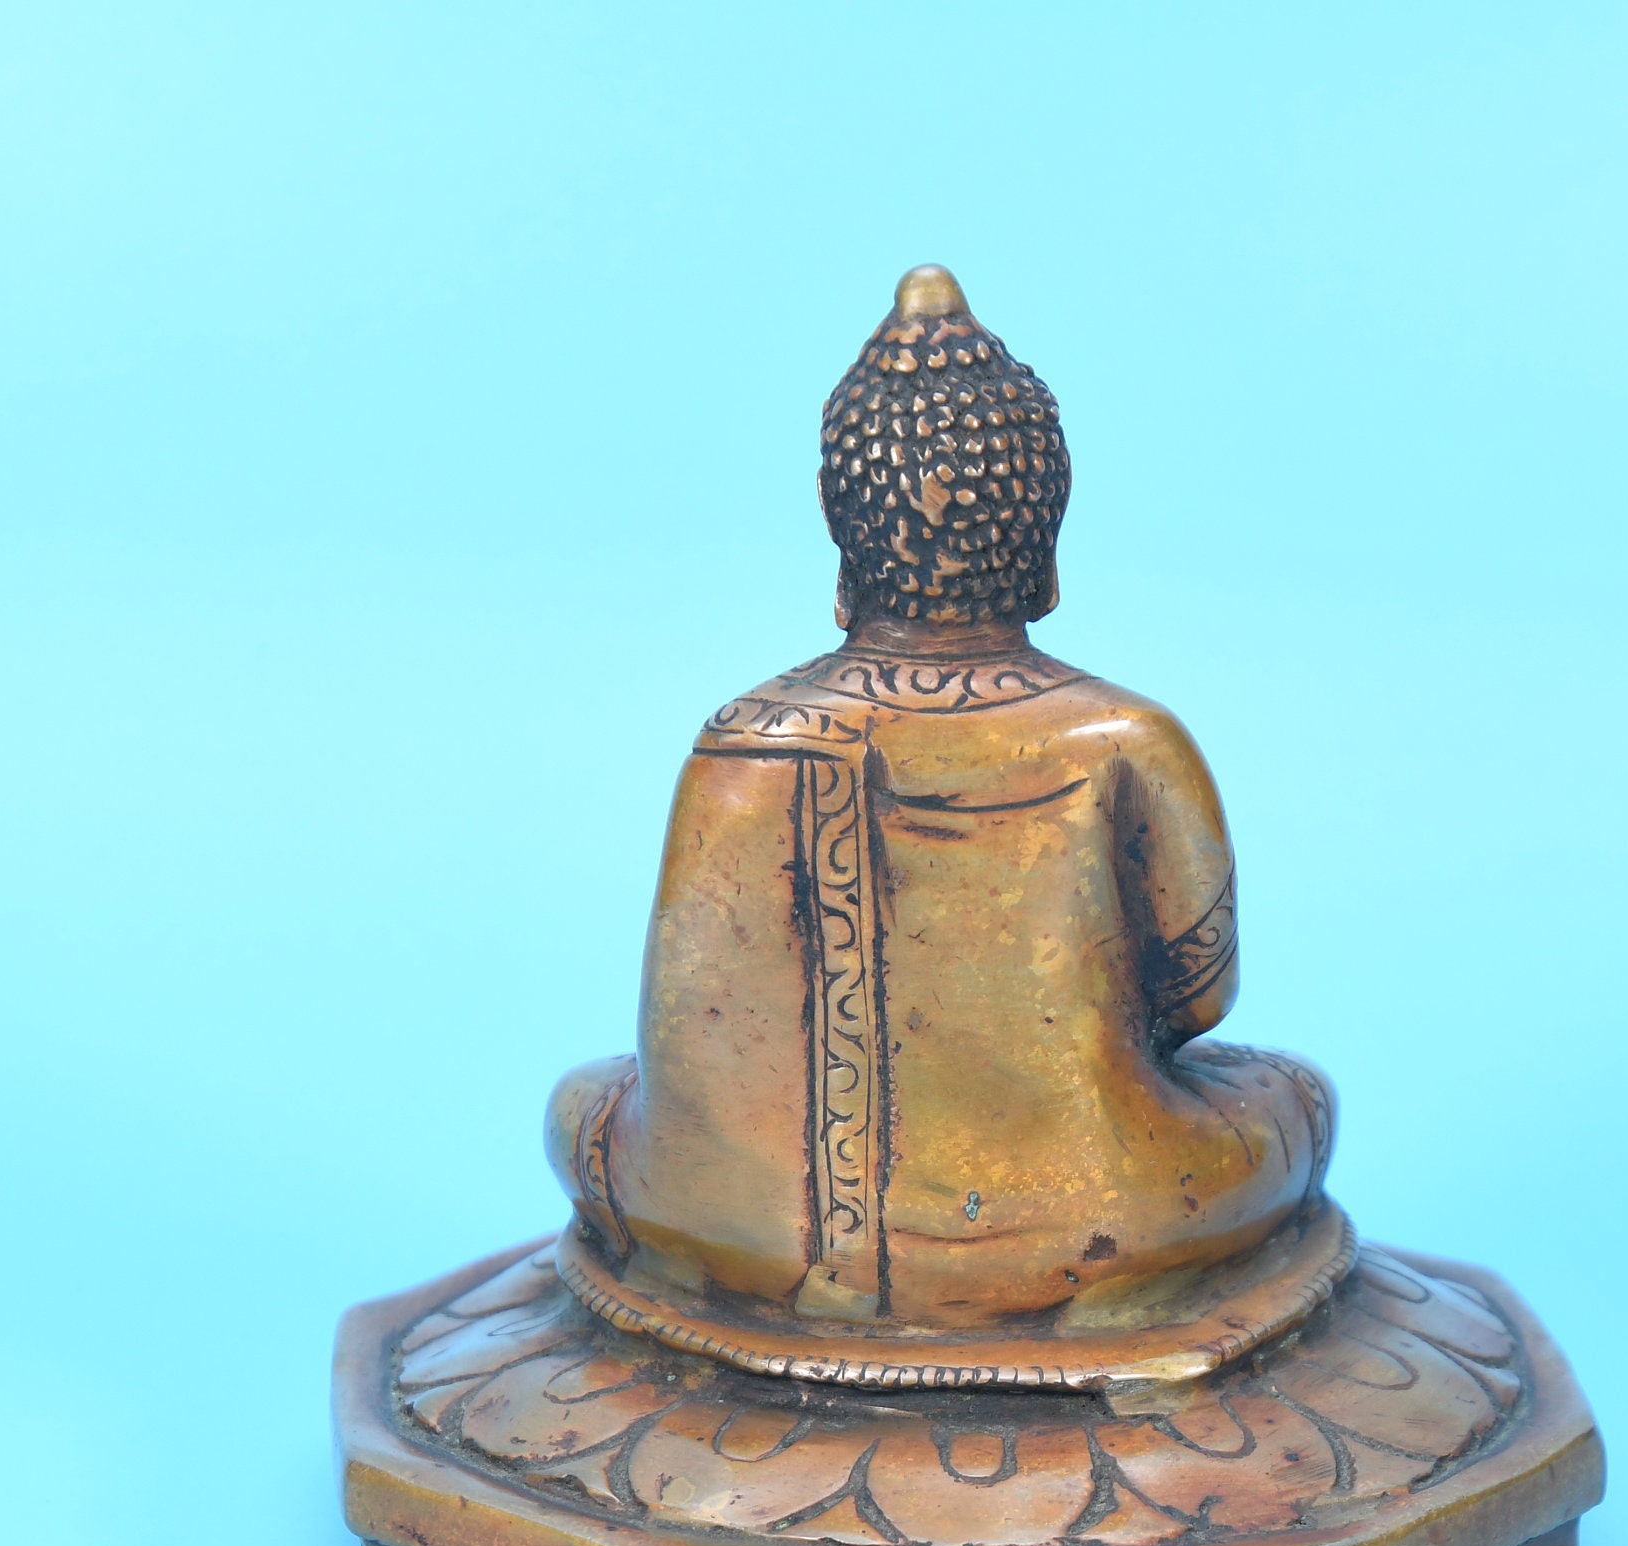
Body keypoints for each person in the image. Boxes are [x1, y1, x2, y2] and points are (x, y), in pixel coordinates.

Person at [546, 267, 1333, 1329]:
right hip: (1101, 1218)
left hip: (741, 1229)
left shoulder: (741, 740)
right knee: (1292, 1096)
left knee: (581, 1104)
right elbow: (1197, 1003)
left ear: (844, 543)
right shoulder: (1126, 740)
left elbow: (682, 1052)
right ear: (1044, 543)